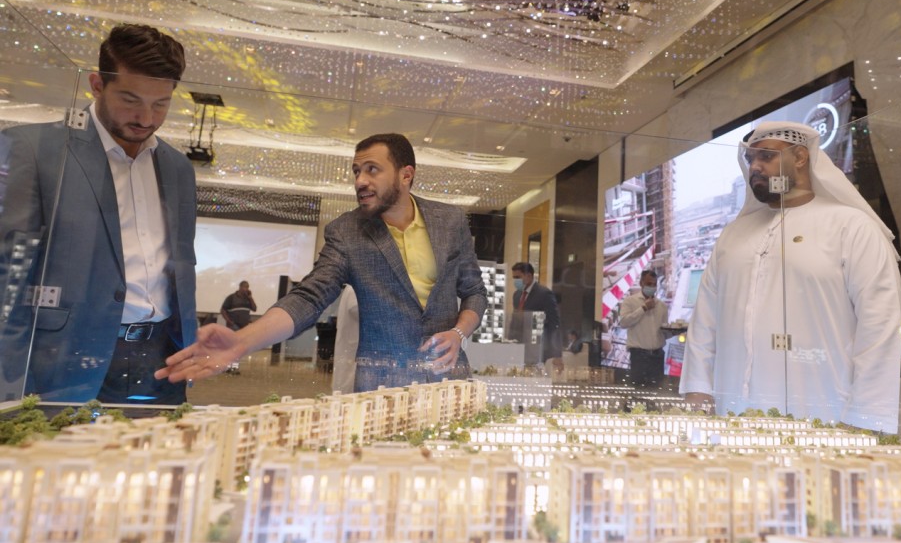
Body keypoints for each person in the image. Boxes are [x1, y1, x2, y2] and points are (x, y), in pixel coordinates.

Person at [157, 133, 487, 391]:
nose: (360, 181)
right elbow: (309, 297)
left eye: (372, 169)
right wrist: (243, 341)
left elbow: (474, 292)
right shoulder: (347, 231)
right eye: (356, 171)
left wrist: (458, 333)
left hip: (451, 380)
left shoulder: (450, 221)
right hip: (382, 387)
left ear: (406, 175)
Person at [0, 24, 197, 404]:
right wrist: (7, 379)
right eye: (130, 99)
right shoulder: (36, 149)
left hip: (161, 360)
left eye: (161, 104)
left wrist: (187, 341)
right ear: (96, 84)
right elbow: (8, 272)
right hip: (64, 358)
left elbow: (180, 263)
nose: (146, 117)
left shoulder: (178, 167)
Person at [680, 120, 901, 432]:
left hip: (824, 419)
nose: (755, 167)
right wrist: (698, 391)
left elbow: (878, 326)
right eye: (750, 159)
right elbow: (705, 322)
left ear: (800, 157)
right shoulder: (733, 234)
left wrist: (864, 418)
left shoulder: (851, 227)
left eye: (766, 156)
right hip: (731, 419)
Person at [617, 269, 668, 388]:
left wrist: (675, 332)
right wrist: (643, 308)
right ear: (641, 283)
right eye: (649, 284)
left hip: (658, 356)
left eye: (654, 284)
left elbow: (664, 330)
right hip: (639, 356)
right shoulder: (630, 301)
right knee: (638, 390)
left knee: (657, 390)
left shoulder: (662, 306)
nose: (652, 287)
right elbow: (623, 323)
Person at [511, 261, 563, 373]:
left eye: (518, 277)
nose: (515, 281)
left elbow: (554, 323)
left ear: (529, 276)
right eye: (514, 278)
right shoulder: (517, 295)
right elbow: (515, 320)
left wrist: (557, 354)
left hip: (537, 346)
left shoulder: (544, 294)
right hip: (519, 347)